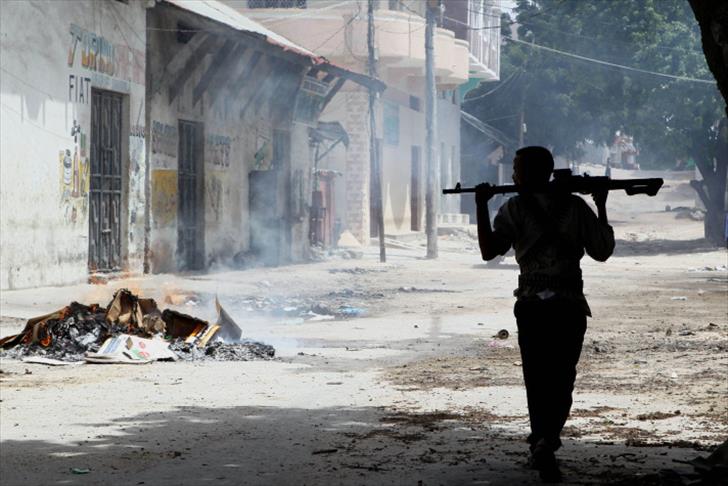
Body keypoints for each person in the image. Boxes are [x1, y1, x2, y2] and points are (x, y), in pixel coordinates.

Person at [475, 146, 615, 483]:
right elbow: (602, 250)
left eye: (517, 169)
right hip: (568, 304)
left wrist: (480, 205)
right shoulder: (575, 207)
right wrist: (601, 204)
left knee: (537, 377)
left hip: (533, 305)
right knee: (562, 377)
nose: (512, 176)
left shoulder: (514, 208)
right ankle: (547, 439)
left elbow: (488, 251)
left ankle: (542, 438)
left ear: (529, 174)